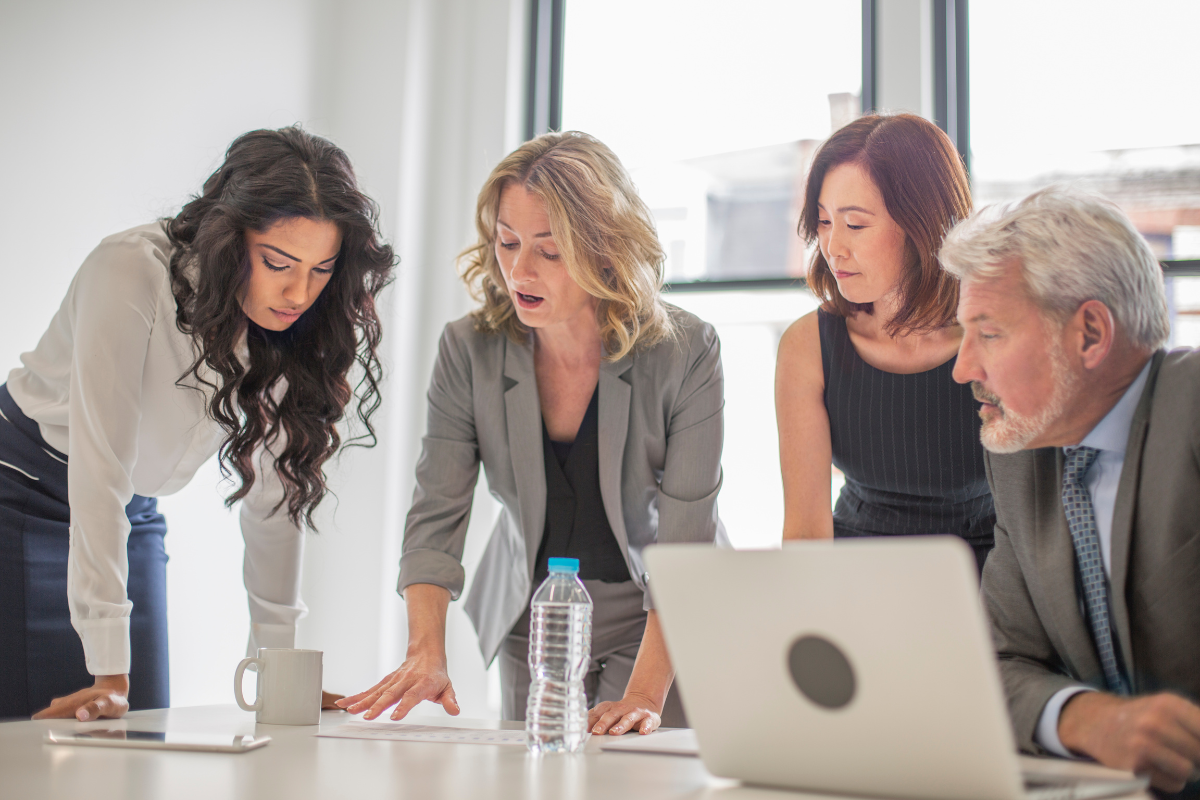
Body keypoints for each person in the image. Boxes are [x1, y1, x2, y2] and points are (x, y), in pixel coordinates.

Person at [0, 126, 395, 721]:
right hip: (21, 495)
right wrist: (109, 671)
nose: (298, 292)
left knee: (139, 733)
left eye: (321, 270)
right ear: (229, 240)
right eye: (278, 262)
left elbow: (274, 495)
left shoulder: (292, 326)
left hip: (129, 509)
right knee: (44, 745)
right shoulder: (128, 271)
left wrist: (279, 670)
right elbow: (100, 465)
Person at [337, 131, 725, 736]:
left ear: (605, 252)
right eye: (508, 242)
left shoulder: (686, 350)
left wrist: (646, 693)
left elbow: (686, 543)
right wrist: (425, 649)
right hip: (533, 610)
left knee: (633, 777)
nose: (519, 270)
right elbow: (437, 511)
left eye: (549, 250)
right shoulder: (469, 350)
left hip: (656, 616)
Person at [942, 187, 1200, 795]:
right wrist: (1086, 718)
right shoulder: (1019, 458)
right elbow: (997, 666)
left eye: (990, 333)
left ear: (1089, 334)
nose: (962, 368)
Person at [775, 113, 994, 569]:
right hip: (855, 580)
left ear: (923, 225)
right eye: (823, 222)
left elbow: (1038, 521)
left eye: (855, 225)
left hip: (989, 581)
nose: (833, 247)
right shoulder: (807, 346)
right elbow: (805, 534)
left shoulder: (995, 333)